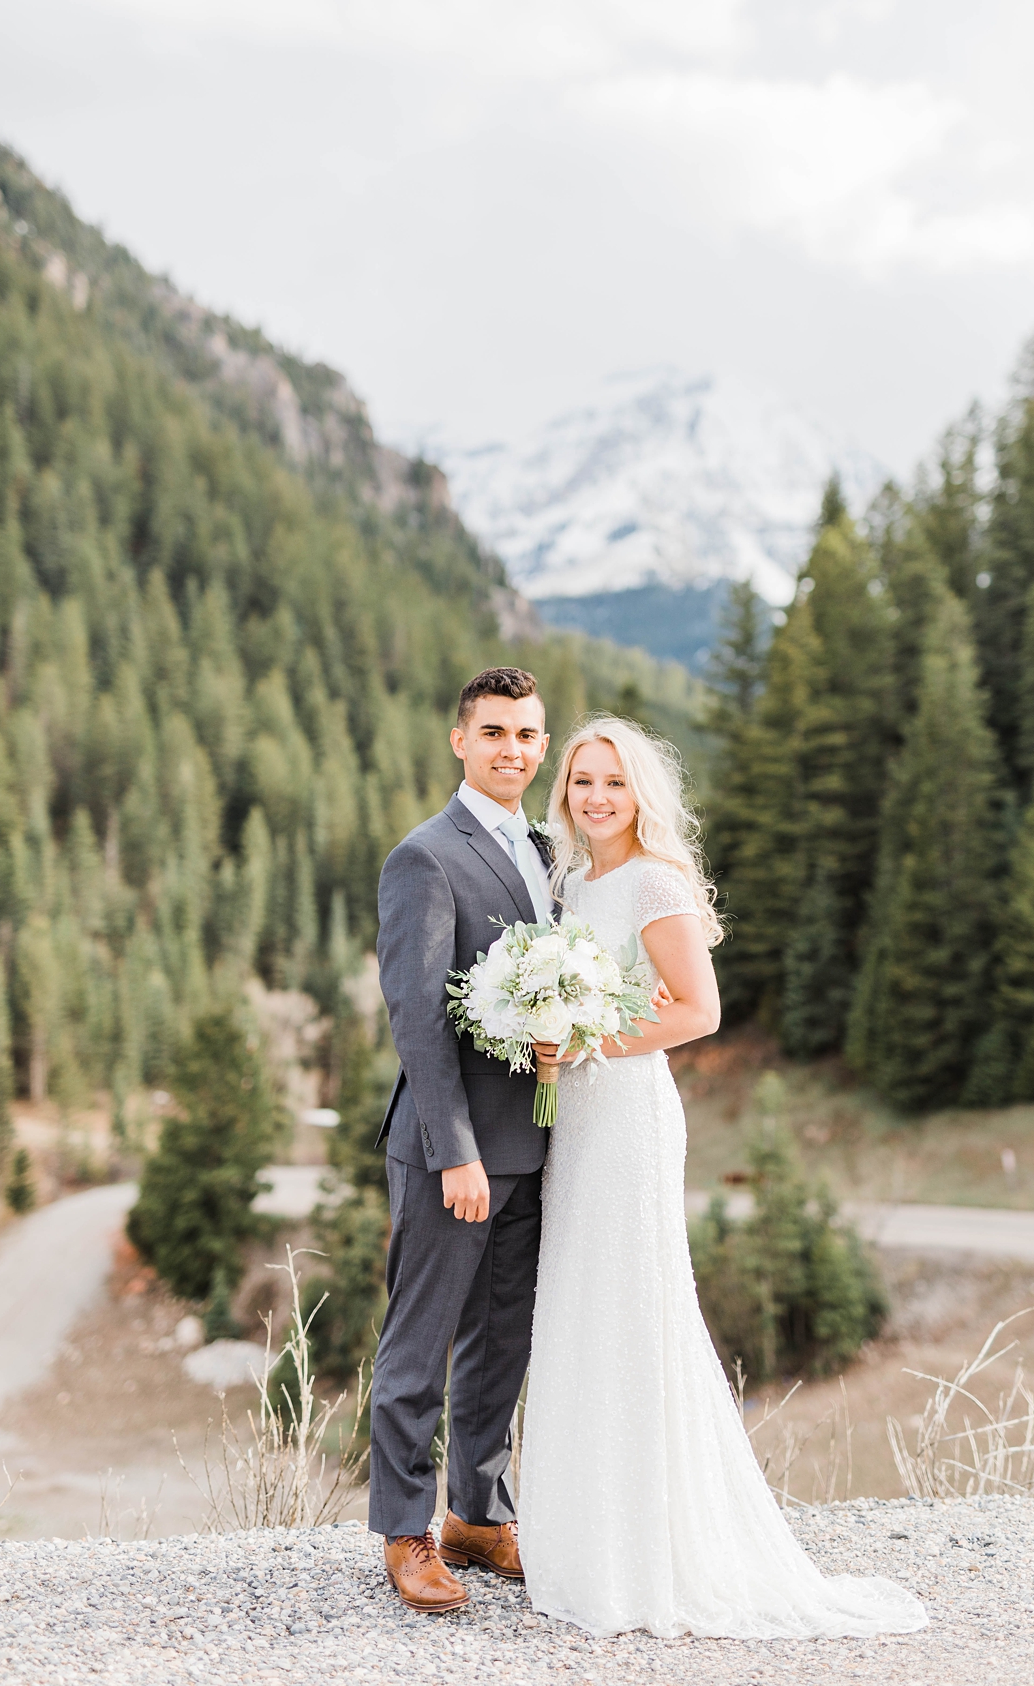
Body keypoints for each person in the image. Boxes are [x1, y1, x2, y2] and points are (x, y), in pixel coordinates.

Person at [519, 716, 928, 1642]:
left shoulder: (655, 880)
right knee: (577, 1305)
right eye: (582, 782)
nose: (594, 799)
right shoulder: (571, 877)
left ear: (642, 795)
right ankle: (586, 1542)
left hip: (626, 1116)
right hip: (573, 1119)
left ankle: (649, 1557)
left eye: (613, 785)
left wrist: (589, 1037)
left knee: (632, 1307)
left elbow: (699, 1011)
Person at [371, 666, 555, 1613]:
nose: (511, 750)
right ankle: (405, 1533)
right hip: (456, 1153)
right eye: (493, 733)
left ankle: (477, 1518)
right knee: (423, 1341)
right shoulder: (425, 857)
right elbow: (417, 1016)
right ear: (460, 741)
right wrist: (455, 1152)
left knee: (502, 1342)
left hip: (533, 1146)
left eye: (526, 735)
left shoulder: (548, 850)